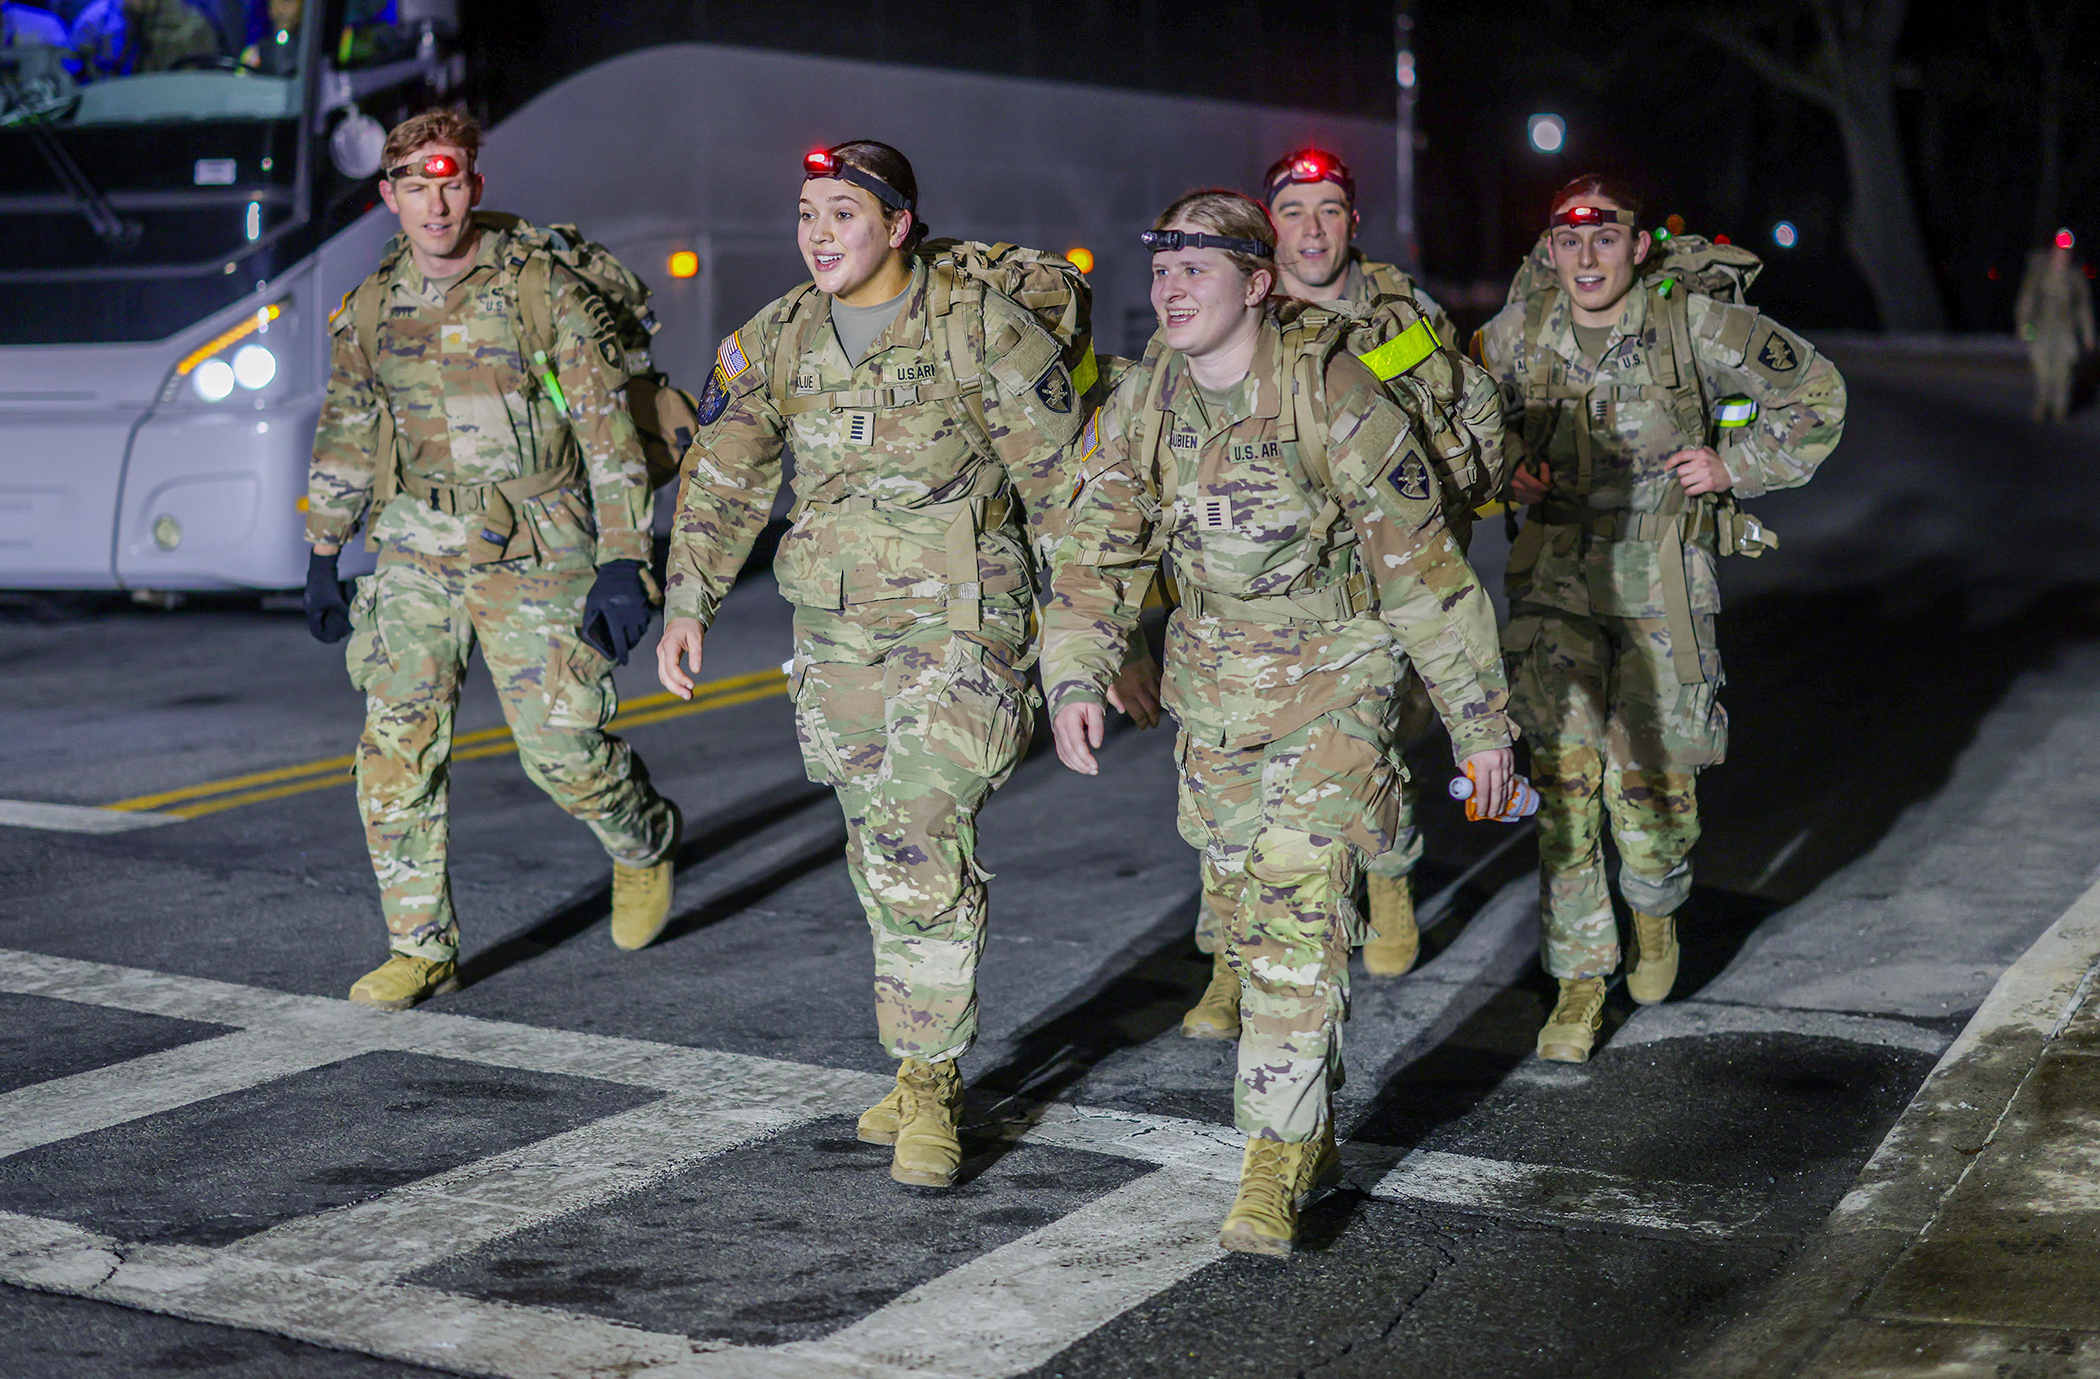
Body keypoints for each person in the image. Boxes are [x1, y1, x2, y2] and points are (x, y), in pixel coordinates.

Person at [1043, 190, 1516, 1255]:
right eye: (1161, 269)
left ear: (1257, 284)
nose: (1170, 288)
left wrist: (1481, 723)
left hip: (1334, 677)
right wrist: (1077, 675)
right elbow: (1095, 548)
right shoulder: (1146, 399)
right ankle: (1312, 1122)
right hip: (1211, 687)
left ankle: (1271, 1156)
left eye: (1195, 270)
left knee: (1298, 917)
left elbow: (1425, 571)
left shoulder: (1334, 390)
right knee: (1248, 919)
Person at [655, 141, 1087, 1191]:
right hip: (840, 630)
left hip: (962, 623)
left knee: (915, 827)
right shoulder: (781, 335)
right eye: (807, 213)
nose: (817, 234)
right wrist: (688, 601)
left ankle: (933, 1079)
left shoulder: (976, 326)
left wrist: (1089, 642)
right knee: (873, 839)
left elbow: (1069, 486)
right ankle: (915, 1047)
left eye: (841, 214)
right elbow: (723, 475)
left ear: (898, 225)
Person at [305, 108, 680, 1011]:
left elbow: (607, 435)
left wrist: (627, 558)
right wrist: (322, 548)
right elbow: (351, 426)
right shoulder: (368, 307)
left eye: (451, 183)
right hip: (413, 545)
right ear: (387, 196)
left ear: (474, 184)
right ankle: (420, 944)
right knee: (394, 746)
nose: (435, 205)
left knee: (562, 748)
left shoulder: (541, 290)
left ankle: (643, 840)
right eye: (415, 188)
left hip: (536, 541)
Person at [1476, 175, 1846, 1062]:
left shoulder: (1693, 325)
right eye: (1569, 241)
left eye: (1606, 238)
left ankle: (1654, 907)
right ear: (1551, 252)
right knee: (1564, 790)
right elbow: (1457, 423)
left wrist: (1734, 465)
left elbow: (1818, 396)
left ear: (1639, 246)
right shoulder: (1516, 333)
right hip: (1554, 580)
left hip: (1661, 579)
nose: (1587, 256)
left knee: (1653, 794)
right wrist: (1506, 469)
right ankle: (1576, 981)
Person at [2016, 232, 2095, 425]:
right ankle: (2043, 402)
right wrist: (2024, 326)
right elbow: (2027, 301)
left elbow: (2084, 308)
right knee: (2042, 366)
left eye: (2066, 252)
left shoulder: (2075, 277)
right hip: (2043, 326)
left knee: (2063, 369)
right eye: (2059, 251)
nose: (2062, 256)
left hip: (2065, 329)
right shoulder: (2040, 272)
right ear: (2053, 250)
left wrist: (2088, 335)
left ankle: (2060, 407)